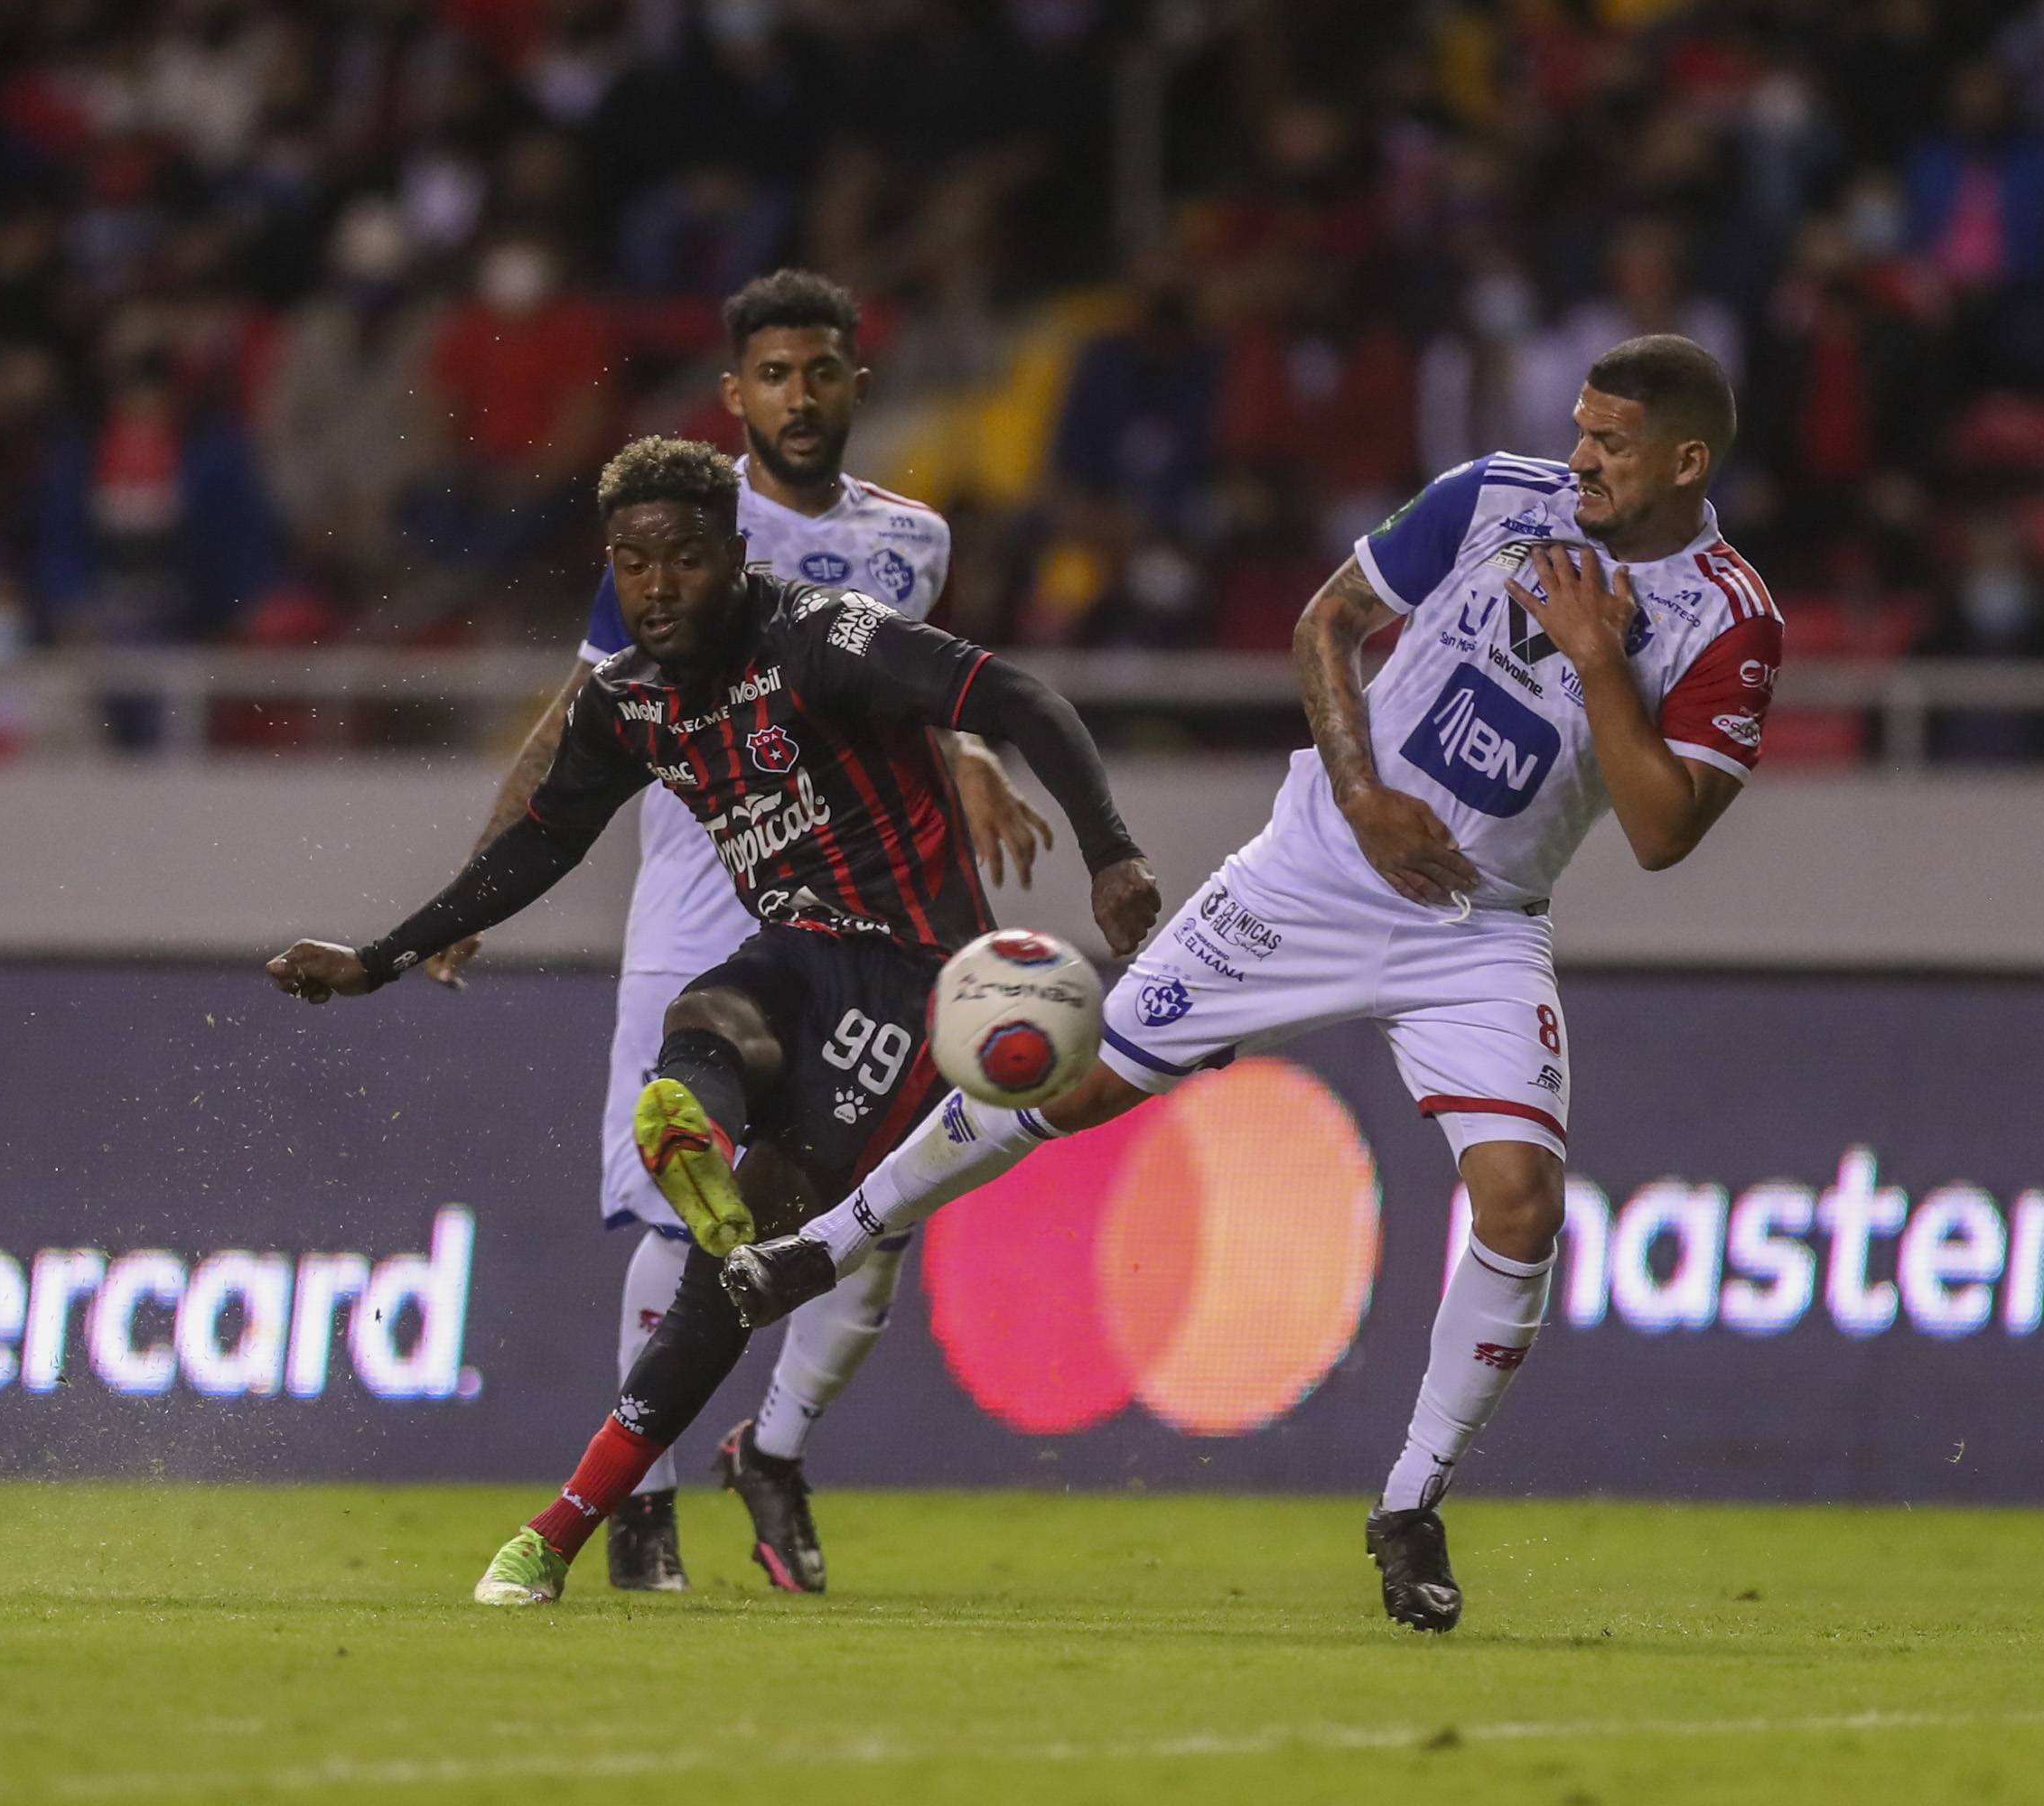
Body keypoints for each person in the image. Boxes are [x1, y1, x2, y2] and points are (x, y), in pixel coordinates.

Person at [722, 335, 1782, 1634]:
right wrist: (1361, 791)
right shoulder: (1495, 497)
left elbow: (1667, 830)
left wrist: (1599, 659)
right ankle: (819, 1248)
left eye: (1612, 445)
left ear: (1687, 460)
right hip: (1317, 870)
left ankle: (1408, 1505)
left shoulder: (1732, 619)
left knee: (1522, 1201)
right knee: (1074, 1075)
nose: (1582, 459)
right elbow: (1329, 621)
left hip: (1478, 926)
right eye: (1581, 429)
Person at [264, 435, 1159, 1608]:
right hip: (791, 949)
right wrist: (380, 957)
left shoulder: (822, 639)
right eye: (632, 563)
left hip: (906, 980)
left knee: (734, 1278)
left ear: (735, 556)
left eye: (685, 558)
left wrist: (1112, 855)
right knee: (703, 1024)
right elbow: (542, 841)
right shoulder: (628, 697)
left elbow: (1021, 698)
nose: (657, 586)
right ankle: (691, 1137)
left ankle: (563, 1527)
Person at [422, 269, 1051, 1594]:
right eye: (774, 375)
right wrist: (483, 877)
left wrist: (973, 750)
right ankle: (639, 1506)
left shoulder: (912, 538)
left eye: (821, 372)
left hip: (860, 892)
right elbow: (577, 717)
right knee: (682, 1207)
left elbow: (907, 681)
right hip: (706, 887)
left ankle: (773, 1449)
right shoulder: (684, 527)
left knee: (874, 1217)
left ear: (854, 385)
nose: (800, 398)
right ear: (735, 394)